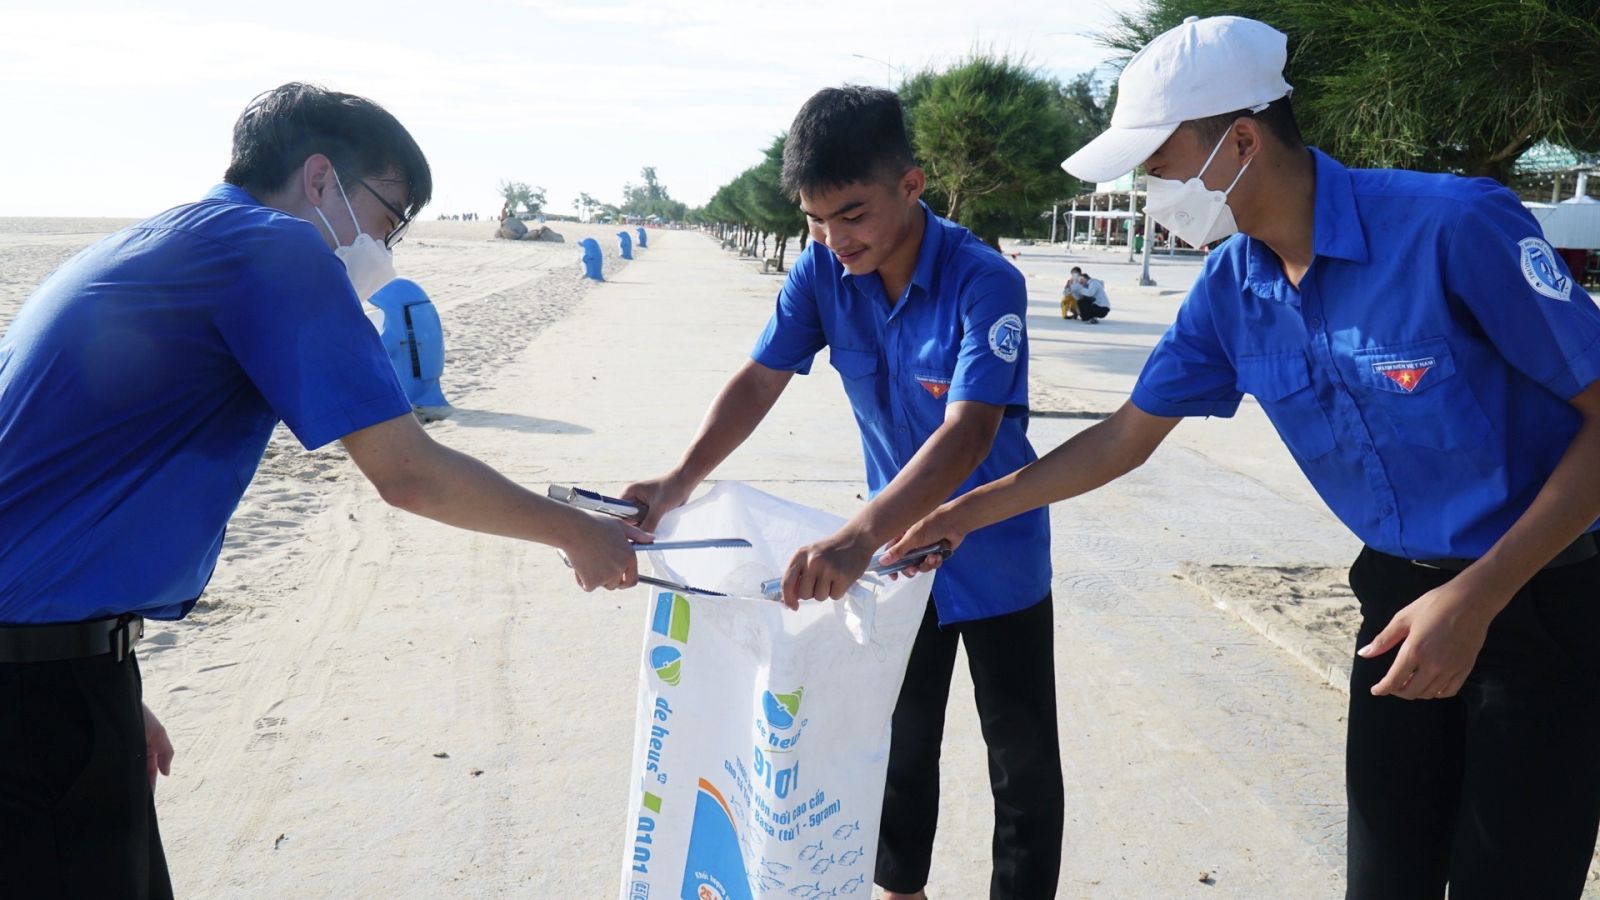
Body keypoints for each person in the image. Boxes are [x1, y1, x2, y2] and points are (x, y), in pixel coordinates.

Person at [886, 15, 1600, 899]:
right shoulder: (1235, 287)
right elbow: (1124, 436)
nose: (1150, 189)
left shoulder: (1451, 228)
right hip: (1396, 603)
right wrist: (965, 512)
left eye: (1157, 163)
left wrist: (1479, 595)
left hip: (1544, 597)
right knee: (1385, 880)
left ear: (1241, 139)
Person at [0, 82, 644, 899]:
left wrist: (109, 672)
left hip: (57, 664)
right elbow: (406, 471)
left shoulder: (158, 242)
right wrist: (576, 532)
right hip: (32, 692)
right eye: (389, 213)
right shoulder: (276, 249)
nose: (386, 243)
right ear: (319, 180)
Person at [623, 85, 1061, 899]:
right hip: (895, 563)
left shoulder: (985, 282)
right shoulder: (821, 273)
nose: (834, 238)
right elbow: (760, 379)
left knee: (1022, 759)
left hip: (994, 552)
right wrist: (679, 481)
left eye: (852, 214)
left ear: (911, 184)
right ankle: (900, 891)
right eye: (815, 219)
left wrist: (858, 536)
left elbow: (967, 435)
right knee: (896, 738)